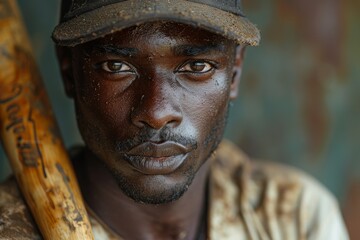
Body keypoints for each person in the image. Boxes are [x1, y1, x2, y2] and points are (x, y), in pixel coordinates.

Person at [0, 0, 349, 239]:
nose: (156, 112)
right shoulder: (9, 227)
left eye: (196, 67)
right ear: (68, 71)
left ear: (235, 71)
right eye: (116, 67)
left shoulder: (294, 215)